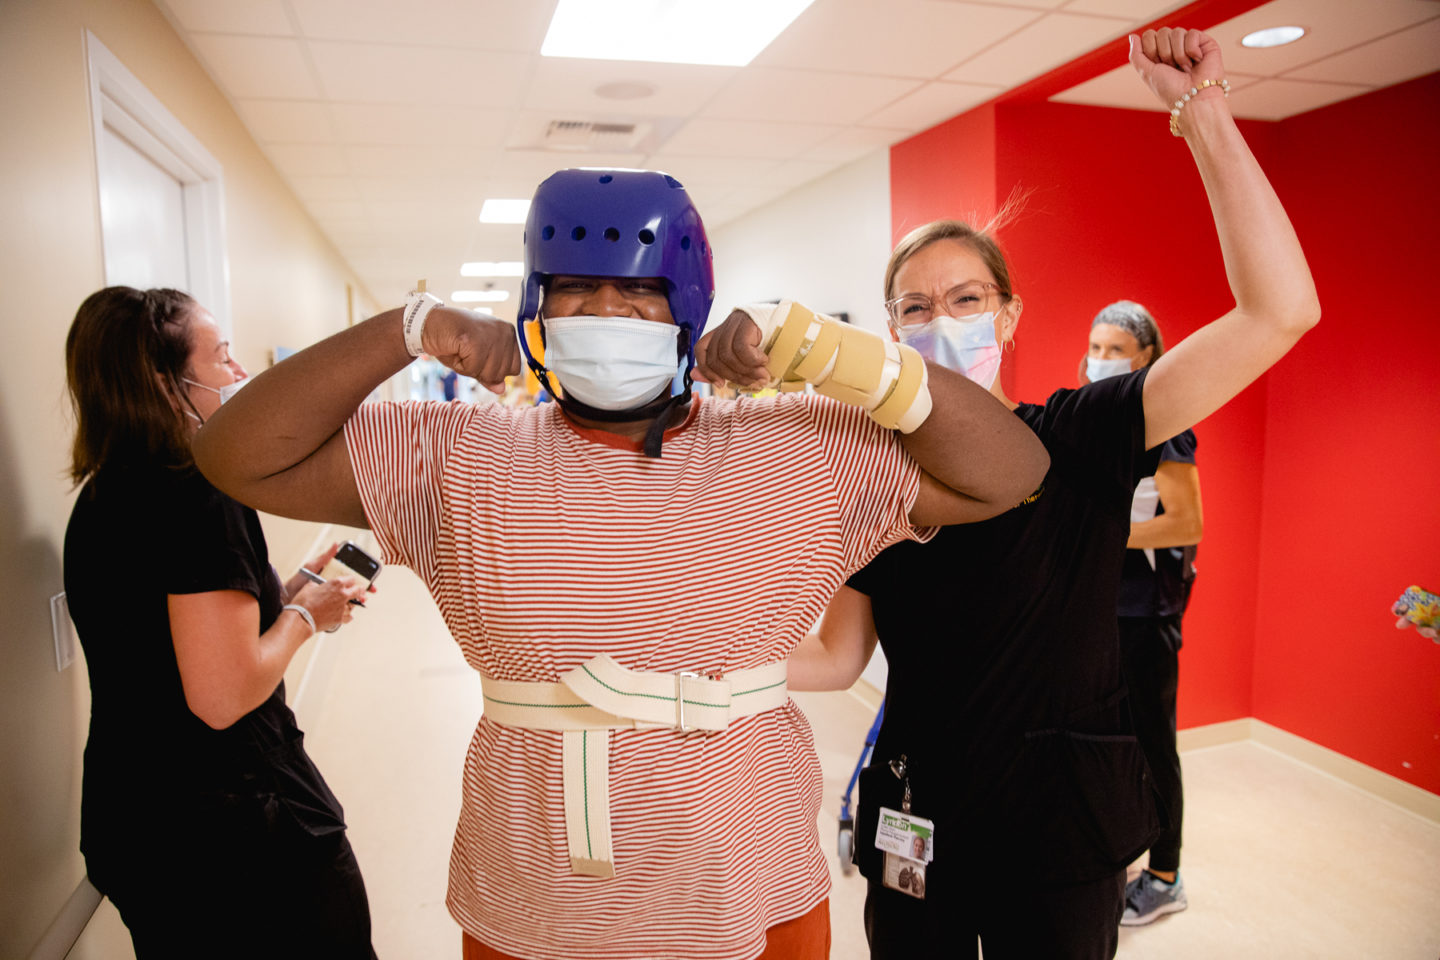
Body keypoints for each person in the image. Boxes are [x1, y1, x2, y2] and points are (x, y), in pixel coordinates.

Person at [190, 167, 1050, 960]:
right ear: (535, 304)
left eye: (639, 291)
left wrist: (822, 347)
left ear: (689, 305)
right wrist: (415, 327)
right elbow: (236, 456)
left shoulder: (800, 447)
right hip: (533, 899)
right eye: (574, 288)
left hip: (751, 888)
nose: (606, 310)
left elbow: (1014, 473)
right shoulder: (452, 455)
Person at [786, 28, 1319, 960]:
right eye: (913, 307)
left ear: (1009, 313)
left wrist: (1206, 115)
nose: (939, 321)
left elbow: (1279, 311)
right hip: (919, 817)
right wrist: (680, 670)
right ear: (889, 330)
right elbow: (837, 656)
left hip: (1063, 824)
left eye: (964, 299)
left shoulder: (1081, 433)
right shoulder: (870, 472)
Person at [61, 287, 377, 957]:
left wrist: (285, 591)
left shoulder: (104, 494)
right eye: (224, 358)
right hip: (235, 835)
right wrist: (304, 613)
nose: (239, 376)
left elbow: (164, 640)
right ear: (164, 381)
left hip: (137, 821)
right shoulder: (198, 489)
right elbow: (222, 696)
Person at [1083, 300, 1203, 925]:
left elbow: (1188, 521)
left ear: (1146, 357)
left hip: (1145, 612)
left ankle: (1165, 874)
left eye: (1114, 351)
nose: (1100, 362)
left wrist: (1100, 532)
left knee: (1154, 744)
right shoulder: (1100, 418)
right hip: (1103, 606)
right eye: (1094, 348)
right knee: (1113, 740)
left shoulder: (1167, 423)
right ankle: (1126, 853)